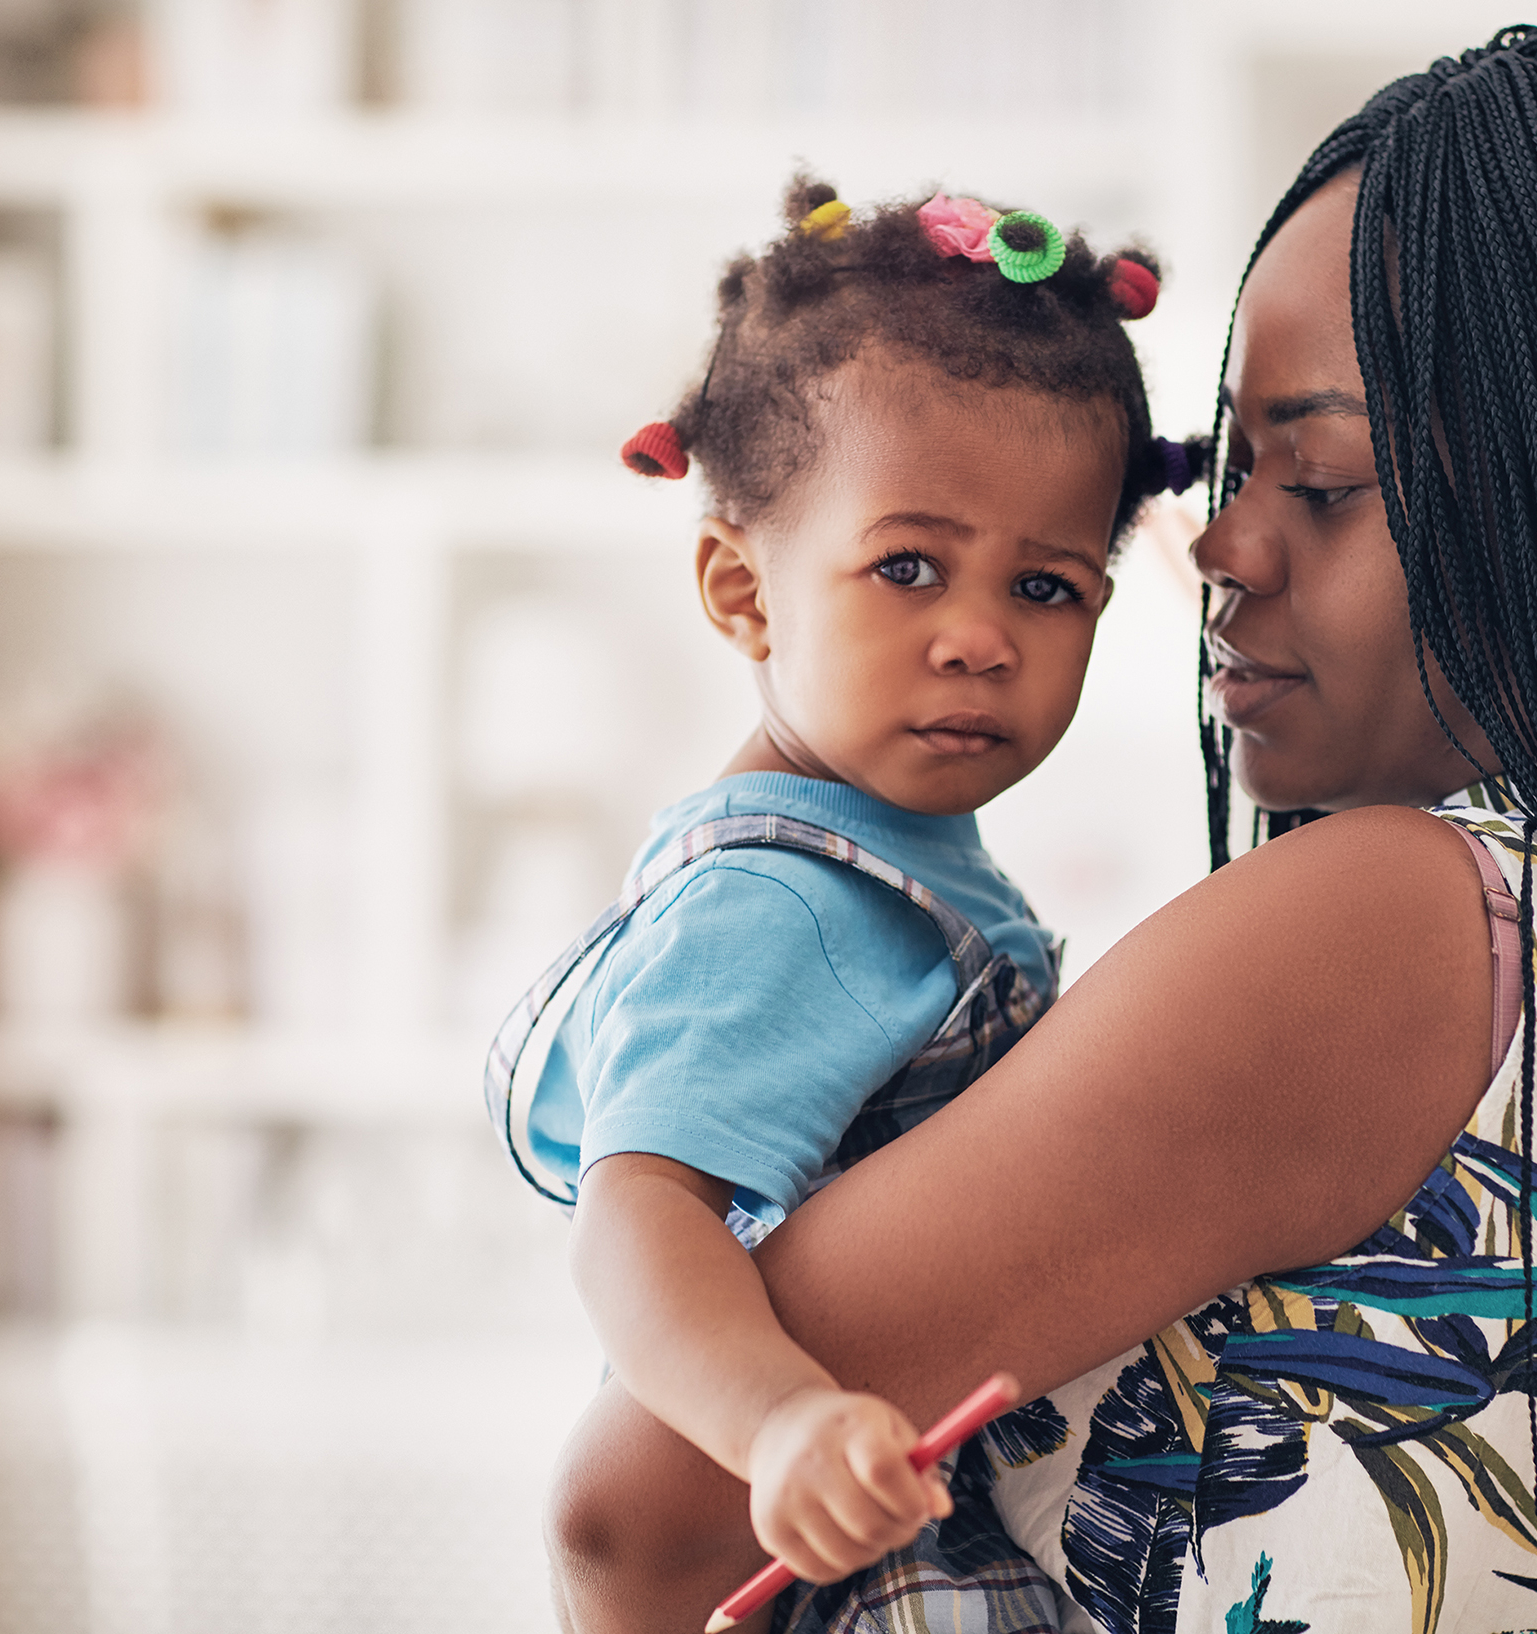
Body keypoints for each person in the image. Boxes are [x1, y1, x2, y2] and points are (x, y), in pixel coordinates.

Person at [549, 20, 1537, 1634]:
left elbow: (634, 1515)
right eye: (1227, 464)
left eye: (1314, 480)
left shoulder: (1389, 922)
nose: (1217, 542)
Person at [489, 177, 1196, 1628]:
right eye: (909, 567)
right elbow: (635, 1213)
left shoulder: (901, 868)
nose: (980, 639)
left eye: (1049, 587)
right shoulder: (789, 902)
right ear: (743, 592)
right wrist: (777, 1425)